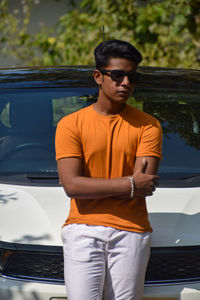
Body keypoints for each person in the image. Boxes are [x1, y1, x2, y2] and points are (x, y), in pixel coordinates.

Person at [55, 39, 162, 300]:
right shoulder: (71, 125)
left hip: (131, 230)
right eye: (117, 75)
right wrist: (131, 184)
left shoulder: (148, 126)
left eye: (132, 77)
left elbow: (144, 187)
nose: (125, 83)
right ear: (98, 76)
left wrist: (98, 186)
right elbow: (72, 186)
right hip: (83, 228)